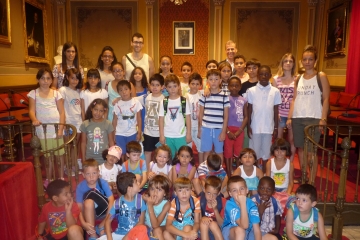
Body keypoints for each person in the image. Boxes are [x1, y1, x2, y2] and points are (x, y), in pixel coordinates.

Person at [286, 45, 330, 182]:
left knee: (311, 151)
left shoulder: (320, 76)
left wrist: (323, 118)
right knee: (300, 149)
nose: (307, 62)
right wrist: (289, 117)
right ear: (302, 61)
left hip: (313, 118)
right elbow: (294, 99)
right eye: (305, 59)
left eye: (310, 59)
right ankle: (304, 176)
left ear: (315, 61)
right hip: (298, 117)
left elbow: (326, 98)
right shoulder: (298, 78)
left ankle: (311, 180)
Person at [28, 68, 65, 187]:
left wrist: (60, 129)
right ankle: (49, 178)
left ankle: (60, 177)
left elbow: (62, 112)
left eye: (48, 78)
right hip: (43, 131)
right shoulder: (33, 93)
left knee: (59, 155)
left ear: (51, 80)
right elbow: (31, 111)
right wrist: (34, 119)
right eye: (42, 78)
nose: (45, 81)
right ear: (38, 79)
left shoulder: (56, 93)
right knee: (48, 156)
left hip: (56, 129)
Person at [247, 65, 281, 172]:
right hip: (255, 126)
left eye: (266, 74)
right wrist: (248, 126)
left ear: (270, 76)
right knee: (255, 151)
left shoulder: (275, 91)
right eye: (261, 74)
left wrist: (276, 128)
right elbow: (249, 110)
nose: (263, 76)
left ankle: (266, 172)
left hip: (268, 127)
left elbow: (276, 111)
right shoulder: (251, 90)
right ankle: (256, 171)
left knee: (266, 151)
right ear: (258, 75)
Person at [76, 159, 114, 240]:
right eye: (88, 174)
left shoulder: (103, 182)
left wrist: (106, 221)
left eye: (94, 173)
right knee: (88, 202)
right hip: (89, 213)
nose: (91, 177)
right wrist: (83, 223)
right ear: (83, 174)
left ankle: (101, 226)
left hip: (105, 213)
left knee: (117, 205)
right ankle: (93, 235)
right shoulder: (80, 187)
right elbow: (78, 208)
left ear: (98, 173)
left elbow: (111, 200)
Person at [198, 69, 229, 163]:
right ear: (207, 81)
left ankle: (219, 172)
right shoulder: (204, 95)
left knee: (219, 152)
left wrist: (224, 131)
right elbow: (201, 113)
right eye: (211, 79)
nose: (213, 81)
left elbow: (226, 116)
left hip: (218, 129)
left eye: (216, 79)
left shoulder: (224, 96)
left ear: (220, 81)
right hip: (206, 128)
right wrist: (200, 129)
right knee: (206, 152)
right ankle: (205, 171)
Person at [104, 172, 146, 240]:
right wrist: (109, 238)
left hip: (135, 234)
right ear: (129, 189)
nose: (139, 183)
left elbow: (141, 222)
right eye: (136, 182)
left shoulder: (140, 201)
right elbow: (107, 221)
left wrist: (126, 237)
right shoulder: (117, 203)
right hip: (119, 234)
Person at [159, 74, 191, 159]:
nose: (172, 89)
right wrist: (161, 135)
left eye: (175, 86)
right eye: (169, 87)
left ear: (179, 86)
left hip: (181, 135)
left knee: (183, 157)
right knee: (169, 157)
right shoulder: (164, 101)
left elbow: (188, 118)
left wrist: (188, 134)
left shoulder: (184, 101)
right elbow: (161, 119)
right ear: (165, 88)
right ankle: (170, 172)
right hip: (168, 135)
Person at [272, 53, 296, 162]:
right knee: (279, 140)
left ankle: (290, 162)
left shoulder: (297, 78)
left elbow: (297, 98)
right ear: (282, 63)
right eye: (285, 61)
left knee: (292, 140)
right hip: (280, 114)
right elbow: (273, 98)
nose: (288, 63)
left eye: (290, 61)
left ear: (293, 64)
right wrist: (275, 113)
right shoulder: (276, 79)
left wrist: (291, 116)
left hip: (293, 114)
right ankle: (279, 161)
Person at [222, 175, 261, 240]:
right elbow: (244, 226)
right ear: (230, 194)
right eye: (235, 190)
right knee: (240, 231)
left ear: (247, 190)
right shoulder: (229, 204)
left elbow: (256, 230)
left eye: (242, 189)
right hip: (230, 231)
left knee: (272, 238)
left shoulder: (252, 204)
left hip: (248, 232)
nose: (239, 193)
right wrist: (243, 203)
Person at [59, 68, 83, 171]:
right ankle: (66, 165)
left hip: (78, 123)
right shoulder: (63, 90)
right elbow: (60, 108)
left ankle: (73, 164)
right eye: (72, 78)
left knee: (75, 146)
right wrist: (63, 124)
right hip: (68, 123)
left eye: (77, 79)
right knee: (67, 146)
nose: (74, 81)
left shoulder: (79, 92)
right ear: (67, 78)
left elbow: (81, 108)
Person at [112, 80, 143, 159]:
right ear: (118, 92)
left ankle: (130, 169)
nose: (124, 92)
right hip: (120, 133)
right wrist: (113, 134)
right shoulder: (117, 104)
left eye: (126, 89)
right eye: (121, 90)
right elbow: (114, 120)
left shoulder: (136, 102)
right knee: (121, 153)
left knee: (131, 152)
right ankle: (123, 169)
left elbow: (139, 118)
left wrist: (139, 132)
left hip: (132, 133)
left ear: (130, 90)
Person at [224, 75, 248, 176]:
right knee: (228, 152)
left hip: (239, 130)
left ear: (240, 87)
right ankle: (229, 173)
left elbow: (246, 116)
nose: (234, 87)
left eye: (236, 85)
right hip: (228, 129)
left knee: (238, 152)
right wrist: (227, 131)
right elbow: (222, 116)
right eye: (232, 85)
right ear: (228, 87)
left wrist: (240, 130)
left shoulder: (243, 100)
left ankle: (237, 173)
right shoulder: (225, 99)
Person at [80, 99, 115, 165]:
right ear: (91, 109)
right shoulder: (85, 124)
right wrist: (83, 159)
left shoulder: (108, 124)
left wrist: (112, 156)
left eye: (101, 111)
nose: (98, 113)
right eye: (95, 110)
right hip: (90, 158)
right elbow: (83, 142)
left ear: (104, 111)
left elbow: (111, 142)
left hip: (104, 158)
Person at [143, 73, 165, 168]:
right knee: (147, 151)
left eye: (157, 85)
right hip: (148, 131)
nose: (155, 87)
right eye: (152, 85)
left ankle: (158, 170)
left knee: (160, 153)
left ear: (162, 87)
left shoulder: (164, 99)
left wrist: (162, 133)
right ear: (149, 86)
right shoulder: (147, 97)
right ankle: (148, 171)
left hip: (159, 132)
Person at [143, 175, 172, 240]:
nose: (155, 192)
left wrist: (150, 206)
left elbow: (155, 225)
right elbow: (143, 196)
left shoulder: (166, 204)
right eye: (152, 189)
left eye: (159, 190)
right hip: (149, 229)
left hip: (162, 228)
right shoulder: (147, 199)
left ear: (165, 193)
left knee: (157, 230)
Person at [199, 176, 227, 240]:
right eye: (208, 193)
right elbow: (196, 221)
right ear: (204, 190)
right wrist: (202, 218)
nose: (211, 197)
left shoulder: (223, 202)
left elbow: (221, 224)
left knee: (213, 224)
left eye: (214, 194)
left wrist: (215, 209)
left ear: (218, 193)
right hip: (202, 230)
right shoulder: (199, 201)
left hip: (216, 230)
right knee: (204, 224)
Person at [185, 72, 204, 163]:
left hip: (198, 126)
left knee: (200, 148)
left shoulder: (202, 95)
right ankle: (188, 166)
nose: (195, 86)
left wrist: (200, 128)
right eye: (192, 84)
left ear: (200, 85)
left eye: (197, 84)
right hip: (188, 127)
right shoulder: (186, 96)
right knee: (187, 148)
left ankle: (201, 166)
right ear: (189, 84)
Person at [129, 67, 148, 132]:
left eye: (140, 74)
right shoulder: (130, 86)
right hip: (135, 112)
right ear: (132, 75)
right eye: (135, 73)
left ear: (143, 75)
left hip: (145, 111)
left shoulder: (147, 87)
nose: (137, 75)